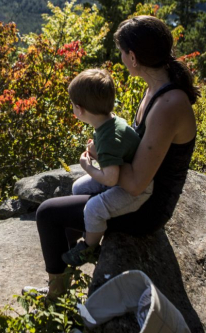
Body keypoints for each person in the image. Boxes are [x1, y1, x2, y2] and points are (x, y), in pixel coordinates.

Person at [34, 15, 199, 300]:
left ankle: (57, 293)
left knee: (48, 213)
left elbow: (135, 183)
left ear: (133, 57)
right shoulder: (157, 88)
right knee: (74, 192)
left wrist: (103, 163)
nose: (121, 57)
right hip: (139, 189)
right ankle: (70, 267)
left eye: (122, 52)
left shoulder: (168, 104)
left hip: (146, 206)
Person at [62, 68, 154, 266]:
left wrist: (87, 165)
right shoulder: (108, 122)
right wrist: (97, 153)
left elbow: (111, 178)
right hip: (126, 178)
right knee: (79, 188)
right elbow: (115, 157)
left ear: (79, 109)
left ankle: (90, 247)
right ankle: (90, 226)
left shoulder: (108, 137)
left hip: (135, 191)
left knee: (94, 208)